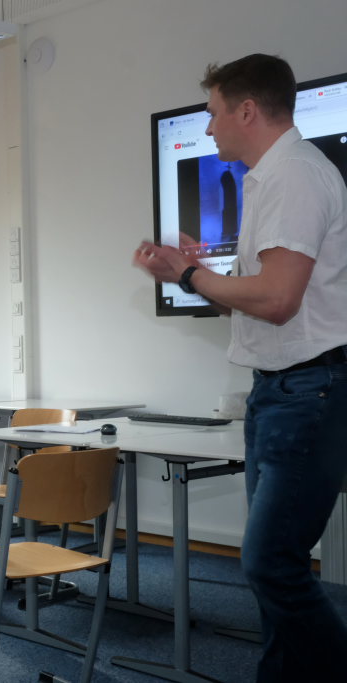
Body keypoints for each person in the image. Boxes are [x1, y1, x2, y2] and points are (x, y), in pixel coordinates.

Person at [134, 54, 347, 682]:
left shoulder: (295, 177)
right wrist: (194, 274)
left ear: (247, 110)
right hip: (282, 392)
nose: (207, 128)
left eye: (213, 112)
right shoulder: (269, 179)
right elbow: (259, 297)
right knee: (275, 567)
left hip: (308, 391)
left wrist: (189, 275)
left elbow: (278, 301)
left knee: (269, 564)